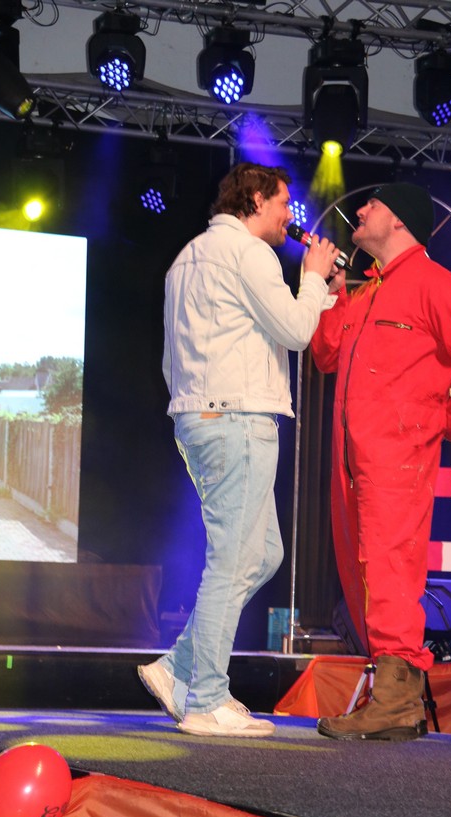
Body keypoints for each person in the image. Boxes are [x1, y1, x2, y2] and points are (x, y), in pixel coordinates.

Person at [139, 162, 341, 738]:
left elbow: (212, 341)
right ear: (254, 200)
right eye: (282, 203)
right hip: (237, 419)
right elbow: (295, 332)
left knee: (264, 554)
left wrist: (318, 296)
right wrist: (314, 277)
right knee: (232, 560)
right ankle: (206, 699)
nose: (289, 216)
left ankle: (176, 668)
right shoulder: (249, 254)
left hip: (198, 417)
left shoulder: (187, 259)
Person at [310, 181, 451, 741]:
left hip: (397, 457)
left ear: (399, 219)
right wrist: (331, 295)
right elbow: (325, 355)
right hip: (353, 459)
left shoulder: (434, 284)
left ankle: (395, 697)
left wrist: (444, 422)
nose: (359, 210)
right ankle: (395, 699)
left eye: (371, 205)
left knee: (389, 567)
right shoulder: (367, 291)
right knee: (366, 570)